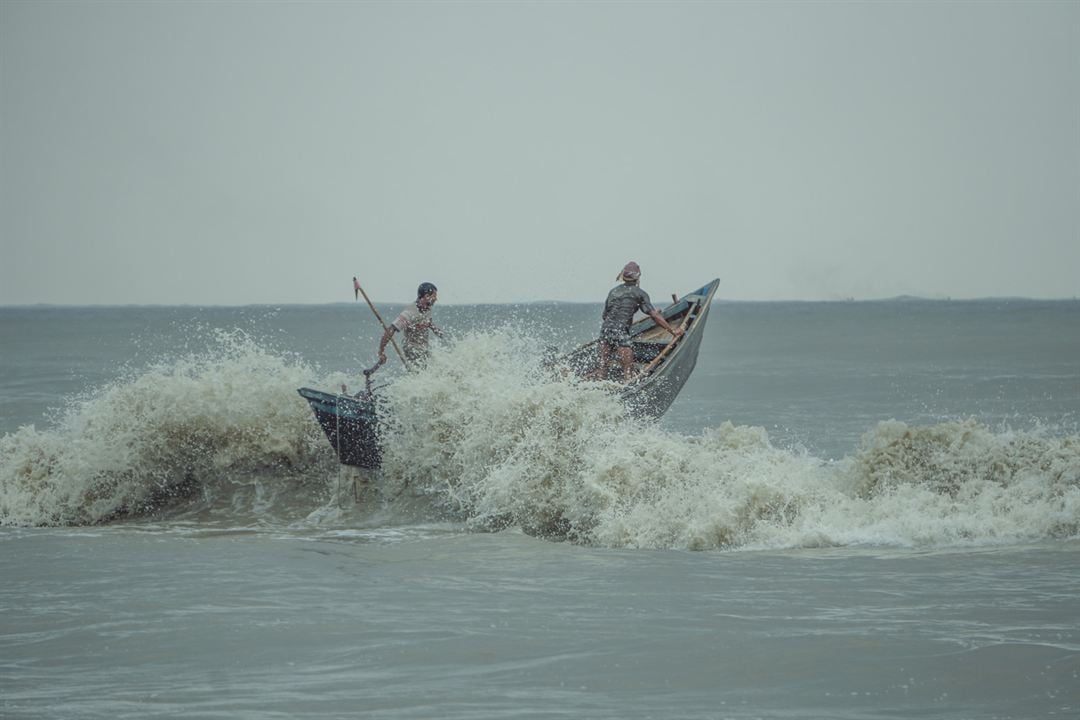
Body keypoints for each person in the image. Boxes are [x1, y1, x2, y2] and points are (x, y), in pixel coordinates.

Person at [592, 261, 683, 382]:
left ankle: (599, 385)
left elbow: (605, 315)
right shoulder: (640, 293)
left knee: (602, 367)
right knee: (627, 371)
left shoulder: (613, 292)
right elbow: (654, 316)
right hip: (621, 332)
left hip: (605, 330)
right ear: (638, 277)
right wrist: (673, 331)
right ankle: (627, 385)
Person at [377, 282, 444, 368]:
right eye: (434, 296)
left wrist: (435, 329)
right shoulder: (409, 312)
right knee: (421, 372)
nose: (436, 299)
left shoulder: (428, 307)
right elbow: (391, 329)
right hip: (412, 349)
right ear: (427, 296)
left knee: (434, 368)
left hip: (423, 348)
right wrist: (381, 351)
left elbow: (428, 320)